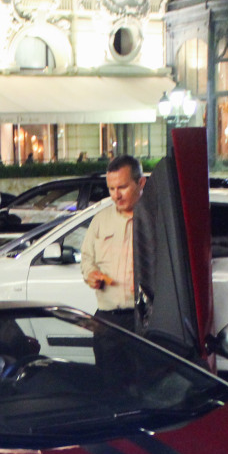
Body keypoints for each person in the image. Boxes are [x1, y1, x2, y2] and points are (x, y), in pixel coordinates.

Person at [81, 155, 145, 382]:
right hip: (108, 322)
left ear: (141, 183)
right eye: (111, 188)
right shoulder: (101, 220)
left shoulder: (154, 218)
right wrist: (91, 274)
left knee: (144, 385)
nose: (116, 195)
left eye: (122, 187)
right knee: (109, 386)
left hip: (144, 321)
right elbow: (87, 258)